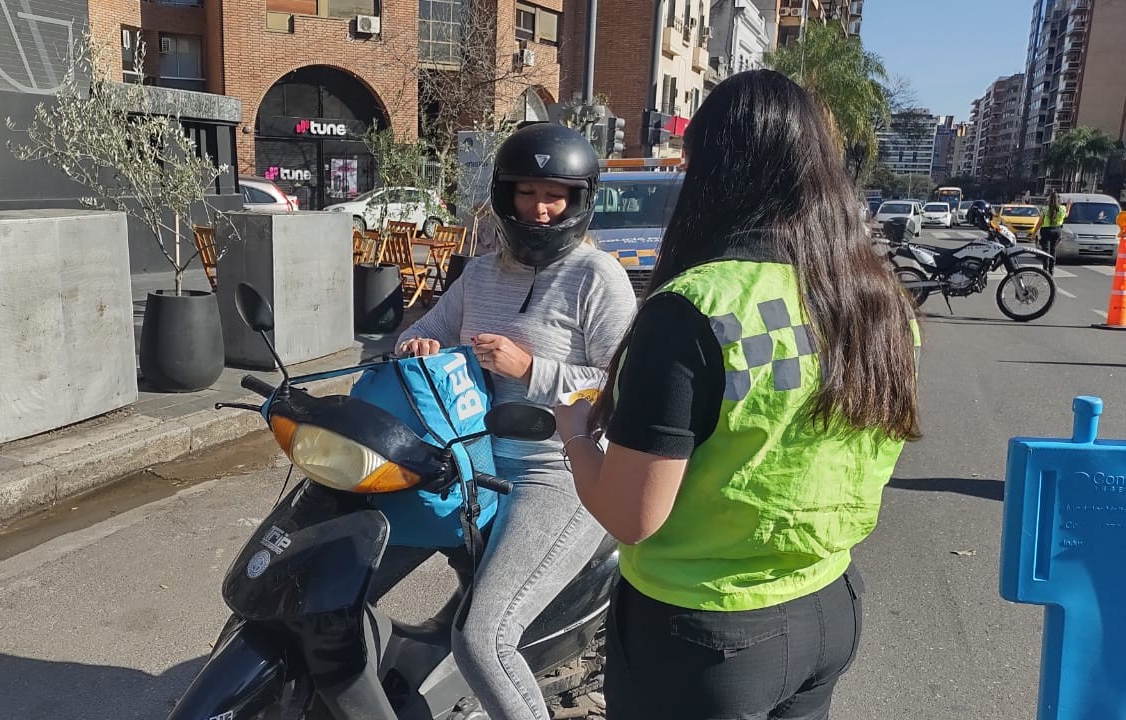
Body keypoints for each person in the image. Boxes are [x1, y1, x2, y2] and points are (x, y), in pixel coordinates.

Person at [555, 70, 922, 720]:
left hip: (704, 634)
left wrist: (576, 436)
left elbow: (632, 516)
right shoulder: (878, 304)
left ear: (713, 169)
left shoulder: (693, 310)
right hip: (829, 605)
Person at [385, 122, 637, 720]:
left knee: (481, 639)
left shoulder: (596, 278)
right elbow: (421, 331)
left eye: (555, 196)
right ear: (506, 196)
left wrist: (532, 370)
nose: (541, 209)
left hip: (560, 472)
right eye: (527, 193)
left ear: (578, 201)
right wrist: (417, 345)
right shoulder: (479, 274)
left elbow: (625, 386)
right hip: (471, 461)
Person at [1039, 191, 1068, 273]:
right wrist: (1069, 206)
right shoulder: (1062, 208)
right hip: (1057, 230)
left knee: (1046, 251)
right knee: (1053, 250)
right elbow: (1066, 215)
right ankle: (1051, 270)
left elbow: (1040, 222)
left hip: (1046, 230)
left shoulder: (1045, 209)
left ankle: (1045, 269)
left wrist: (1034, 232)